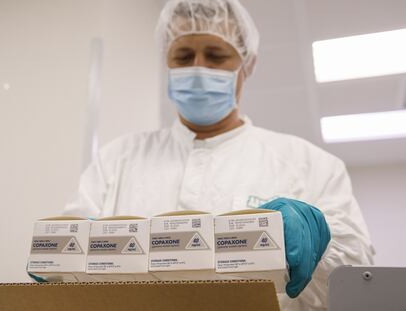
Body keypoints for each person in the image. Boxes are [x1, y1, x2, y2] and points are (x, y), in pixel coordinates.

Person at [64, 0, 374, 309]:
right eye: (183, 56)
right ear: (167, 62)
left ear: (246, 64)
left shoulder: (310, 164)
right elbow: (62, 261)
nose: (198, 68)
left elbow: (356, 275)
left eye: (216, 56)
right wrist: (60, 258)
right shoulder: (116, 159)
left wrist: (318, 247)